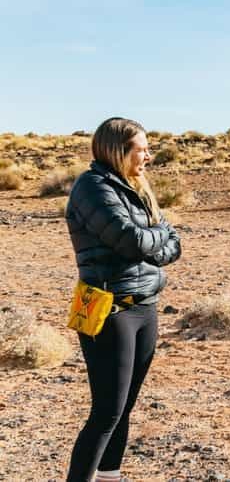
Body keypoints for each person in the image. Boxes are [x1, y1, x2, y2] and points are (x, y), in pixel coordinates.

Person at [65, 117, 182, 482]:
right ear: (118, 150)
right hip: (109, 310)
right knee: (106, 413)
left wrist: (156, 237)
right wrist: (158, 233)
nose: (148, 156)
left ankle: (109, 478)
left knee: (124, 408)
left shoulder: (136, 186)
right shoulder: (92, 187)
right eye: (140, 149)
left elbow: (173, 246)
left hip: (145, 307)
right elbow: (131, 241)